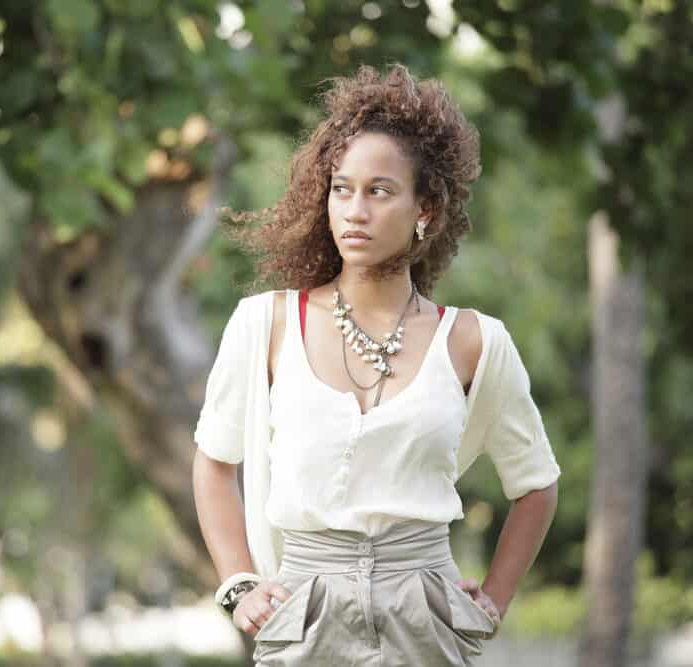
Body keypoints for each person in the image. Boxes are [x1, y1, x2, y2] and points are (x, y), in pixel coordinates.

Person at [191, 63, 561, 666]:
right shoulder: (267, 324)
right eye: (342, 188)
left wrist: (491, 603)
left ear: (426, 210)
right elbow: (213, 464)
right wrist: (238, 584)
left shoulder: (474, 342)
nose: (354, 211)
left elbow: (537, 485)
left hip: (428, 614)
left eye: (379, 191)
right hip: (303, 609)